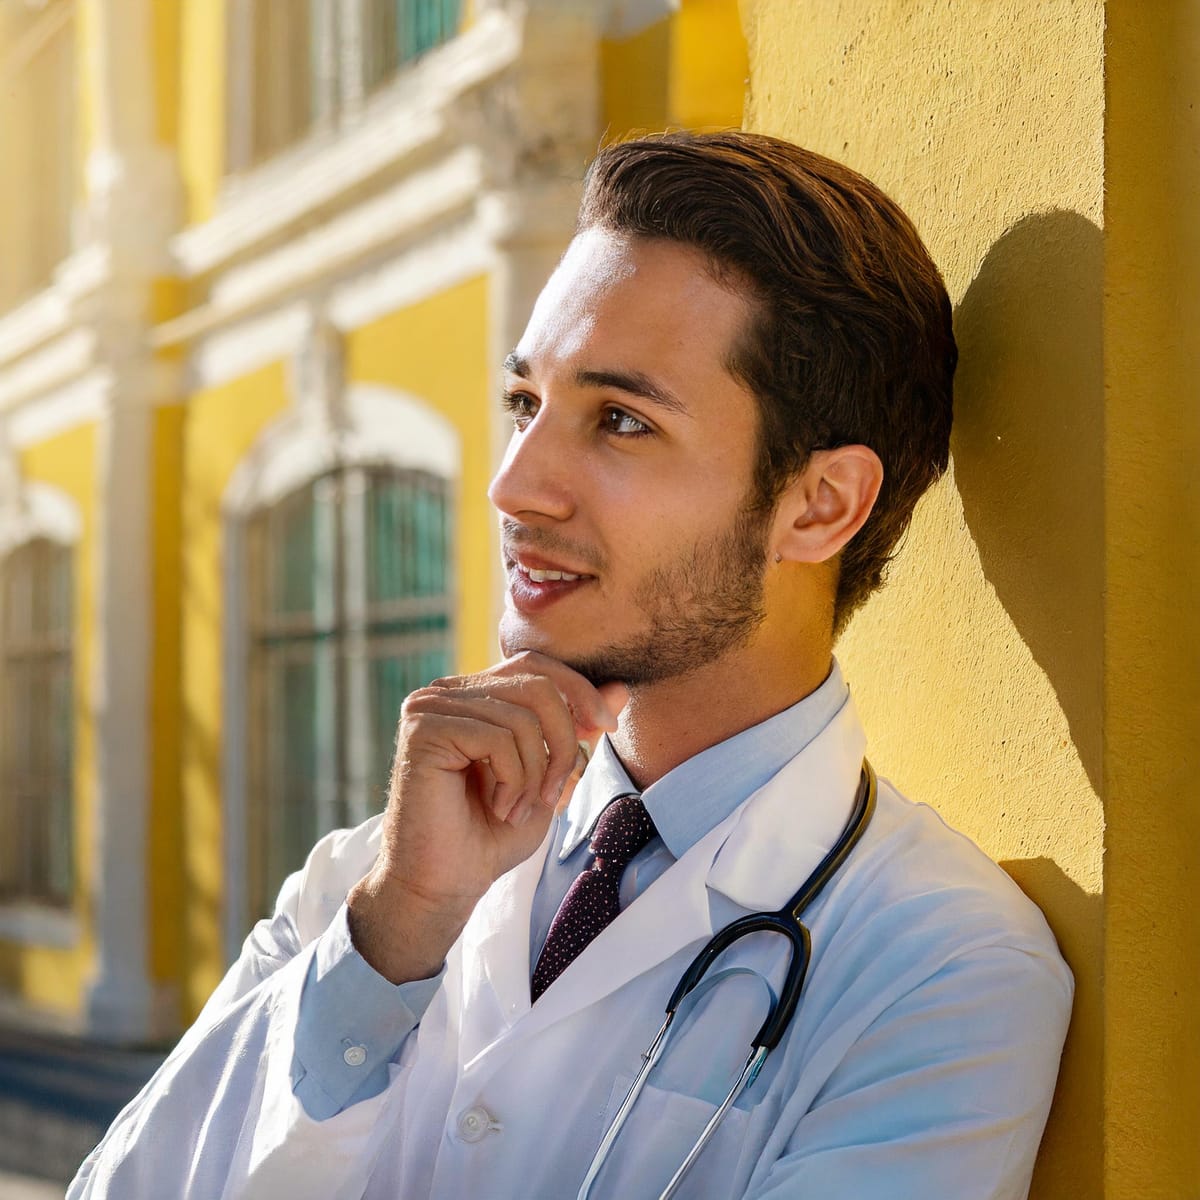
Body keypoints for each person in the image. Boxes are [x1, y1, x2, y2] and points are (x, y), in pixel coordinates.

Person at [70, 131, 1072, 1200]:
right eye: (525, 404)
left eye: (622, 420)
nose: (515, 485)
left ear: (818, 506)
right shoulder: (367, 886)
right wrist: (392, 939)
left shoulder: (942, 975)